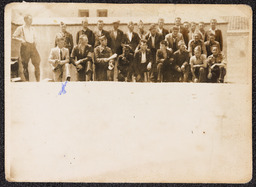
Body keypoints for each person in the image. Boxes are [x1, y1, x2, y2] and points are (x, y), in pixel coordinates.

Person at [12, 14, 41, 82]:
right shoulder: (20, 28)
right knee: (25, 65)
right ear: (25, 20)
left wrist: (35, 42)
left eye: (31, 19)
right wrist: (22, 40)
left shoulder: (32, 28)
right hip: (25, 47)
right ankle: (27, 82)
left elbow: (35, 37)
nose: (31, 21)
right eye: (29, 19)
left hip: (32, 47)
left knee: (37, 63)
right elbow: (14, 36)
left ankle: (38, 81)